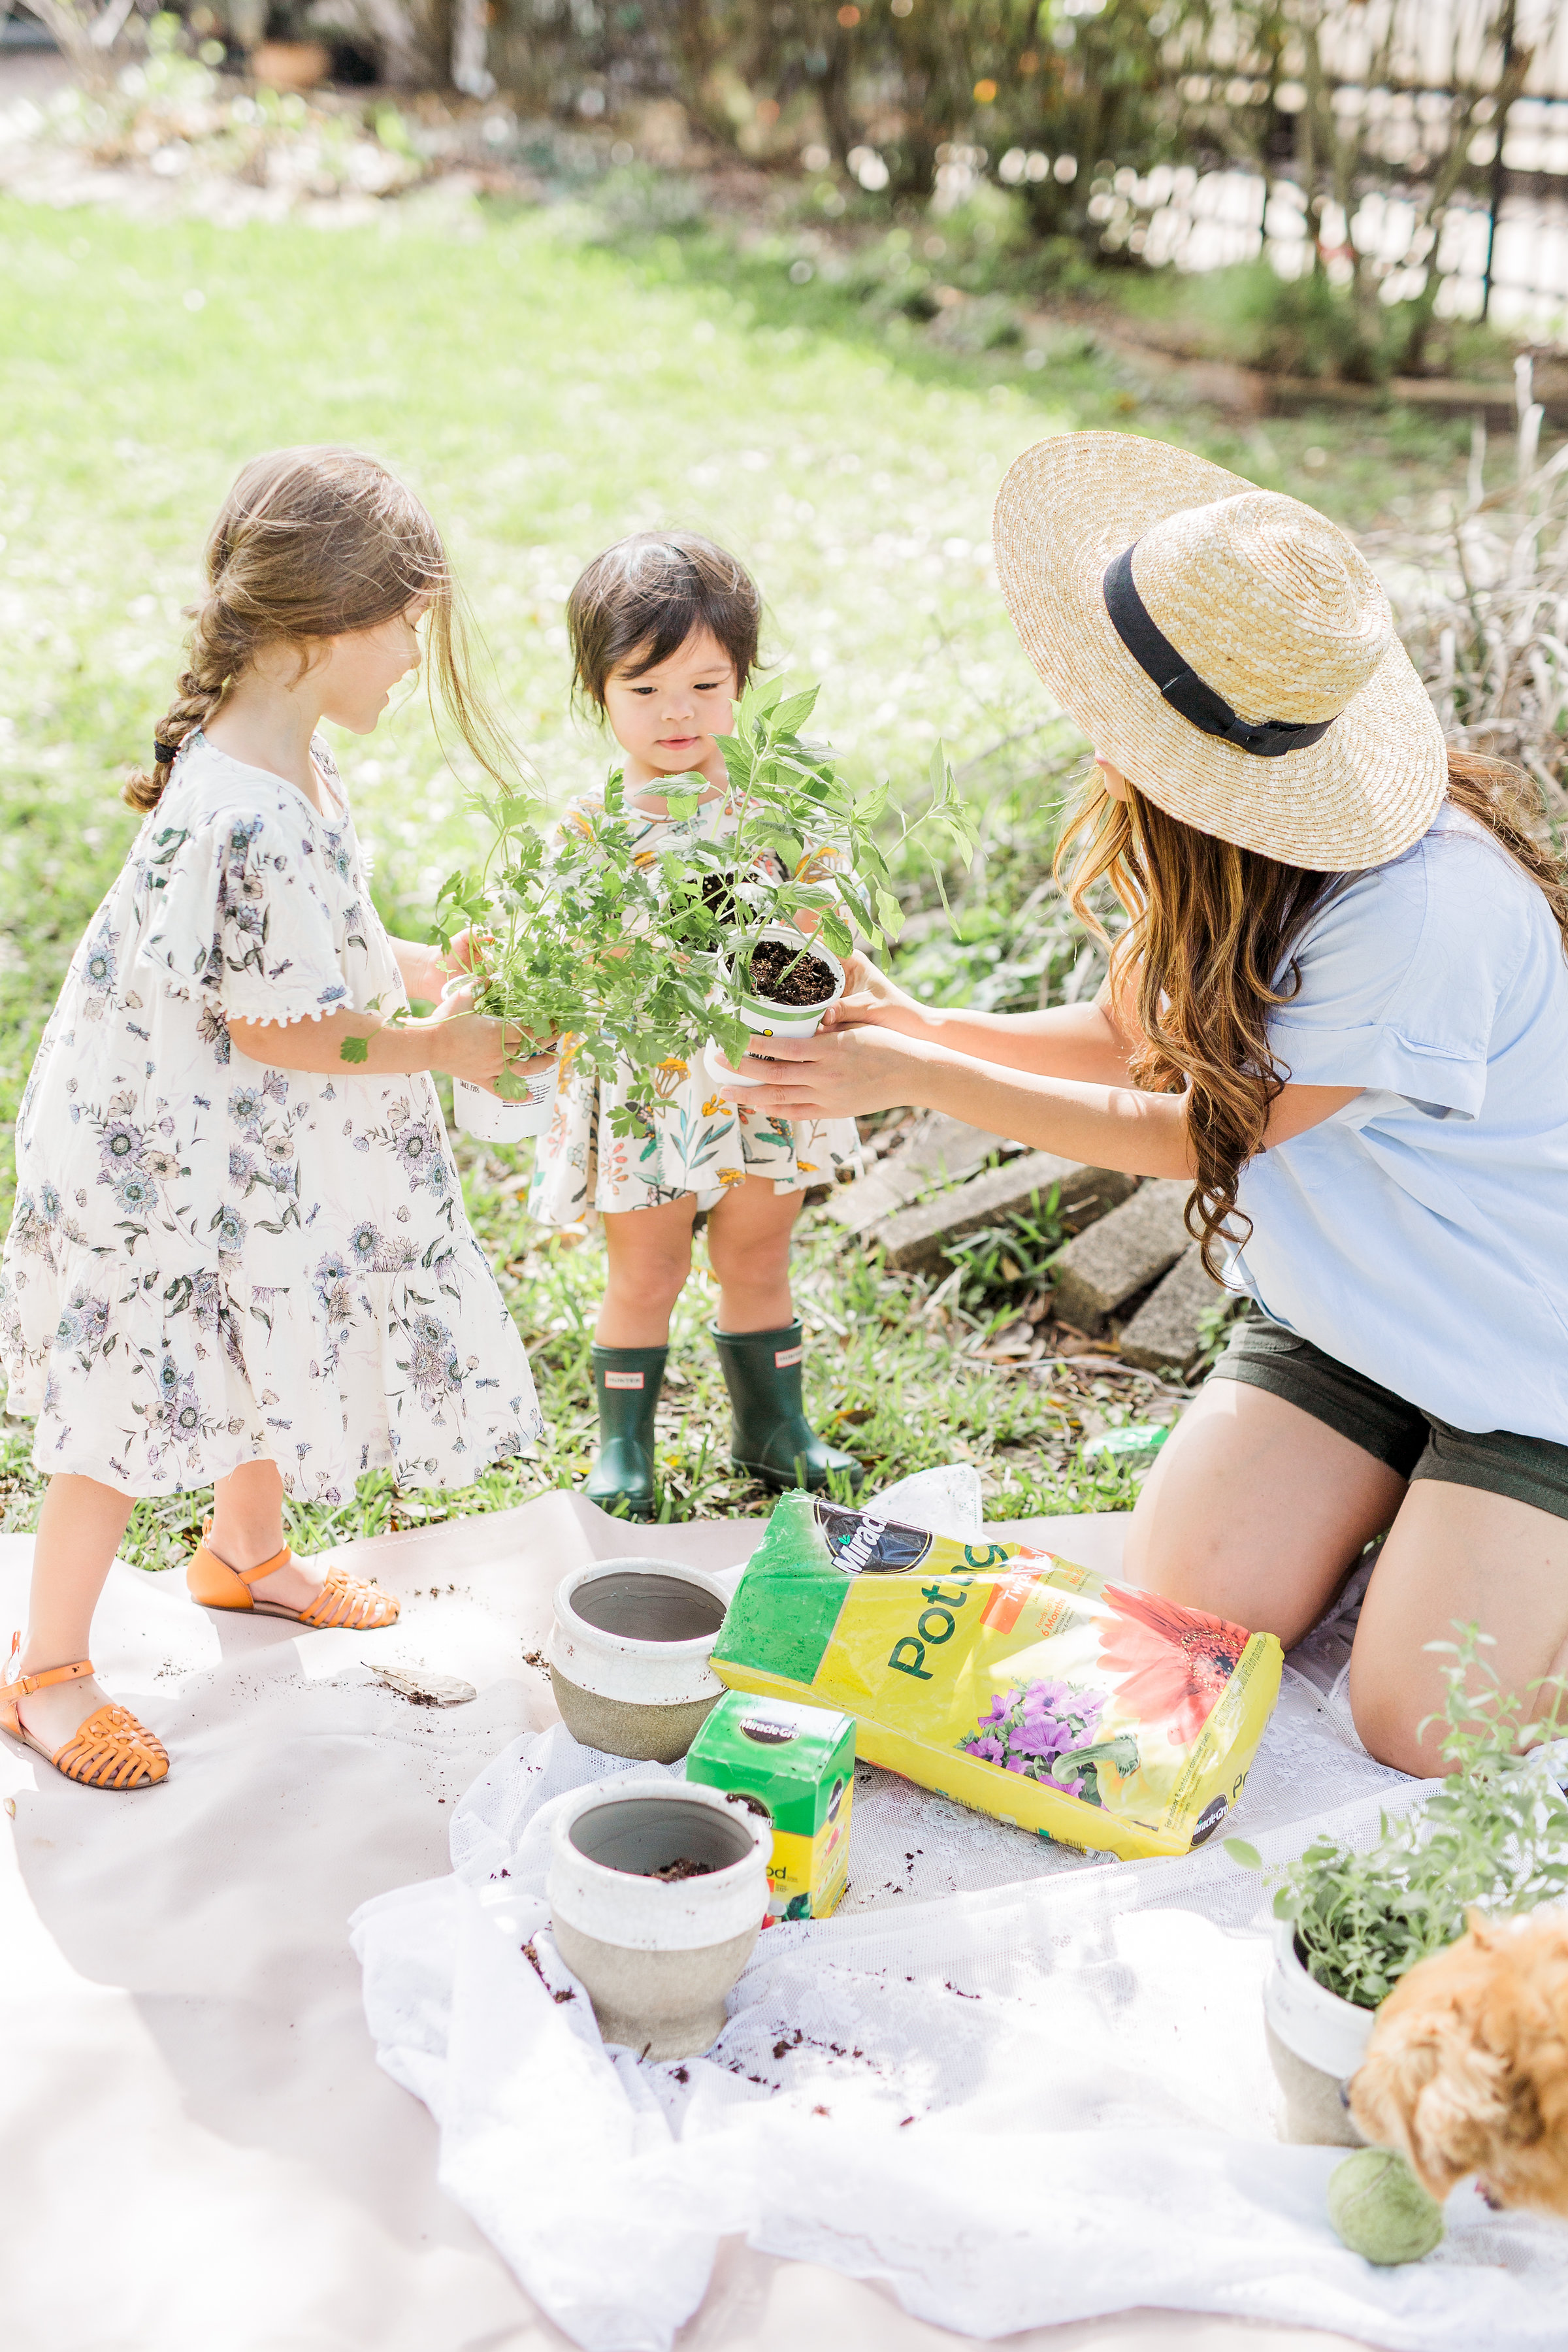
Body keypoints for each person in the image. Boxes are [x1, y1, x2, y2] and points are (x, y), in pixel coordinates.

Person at [715, 430, 1568, 1776]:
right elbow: (1142, 1035)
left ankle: (1485, 1520)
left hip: (1532, 1364)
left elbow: (1200, 1130)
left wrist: (922, 1077)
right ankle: (1414, 1499)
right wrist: (924, 1020)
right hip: (1354, 1325)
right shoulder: (1244, 843)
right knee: (1177, 1630)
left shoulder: (1426, 914)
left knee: (1423, 1729)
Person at [0, 447, 548, 1789]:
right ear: (320, 628)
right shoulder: (247, 809)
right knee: (135, 1391)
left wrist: (431, 966)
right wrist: (446, 1045)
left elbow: (322, 949)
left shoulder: (287, 760)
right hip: (164, 1161)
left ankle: (244, 1557)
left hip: (230, 1148)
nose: (415, 661)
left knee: (244, 1324)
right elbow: (275, 1025)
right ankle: (47, 1669)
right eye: (407, 629)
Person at [529, 531, 862, 1518]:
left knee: (760, 1253)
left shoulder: (778, 812)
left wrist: (807, 921)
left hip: (765, 1074)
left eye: (706, 687)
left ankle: (772, 1429)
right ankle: (624, 1446)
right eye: (645, 689)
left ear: (744, 682)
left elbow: (826, 922)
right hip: (646, 1089)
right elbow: (562, 961)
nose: (678, 713)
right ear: (597, 693)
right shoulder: (590, 833)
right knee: (649, 1266)